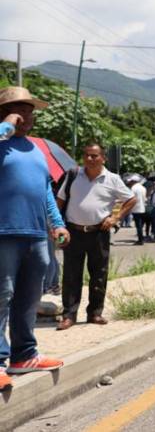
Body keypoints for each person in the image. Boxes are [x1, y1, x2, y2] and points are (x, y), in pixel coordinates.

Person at [0, 87, 69, 388]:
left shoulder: (36, 150)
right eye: (17, 108)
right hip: (4, 232)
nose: (25, 115)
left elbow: (44, 191)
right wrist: (5, 127)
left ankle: (24, 355)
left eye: (28, 110)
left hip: (36, 233)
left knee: (29, 297)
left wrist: (57, 223)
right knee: (2, 295)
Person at [56, 143, 137, 330]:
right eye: (86, 155)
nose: (89, 159)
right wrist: (57, 225)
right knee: (70, 275)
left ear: (103, 158)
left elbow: (131, 199)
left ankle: (95, 313)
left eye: (94, 156)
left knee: (99, 274)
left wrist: (115, 217)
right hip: (72, 231)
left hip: (98, 233)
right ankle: (68, 315)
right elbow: (60, 201)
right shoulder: (73, 174)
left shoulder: (112, 179)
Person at [128, 177, 147, 245]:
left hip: (136, 209)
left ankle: (140, 240)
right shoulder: (143, 188)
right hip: (143, 208)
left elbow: (131, 198)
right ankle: (141, 238)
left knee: (138, 225)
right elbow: (145, 198)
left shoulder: (133, 188)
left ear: (133, 181)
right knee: (141, 225)